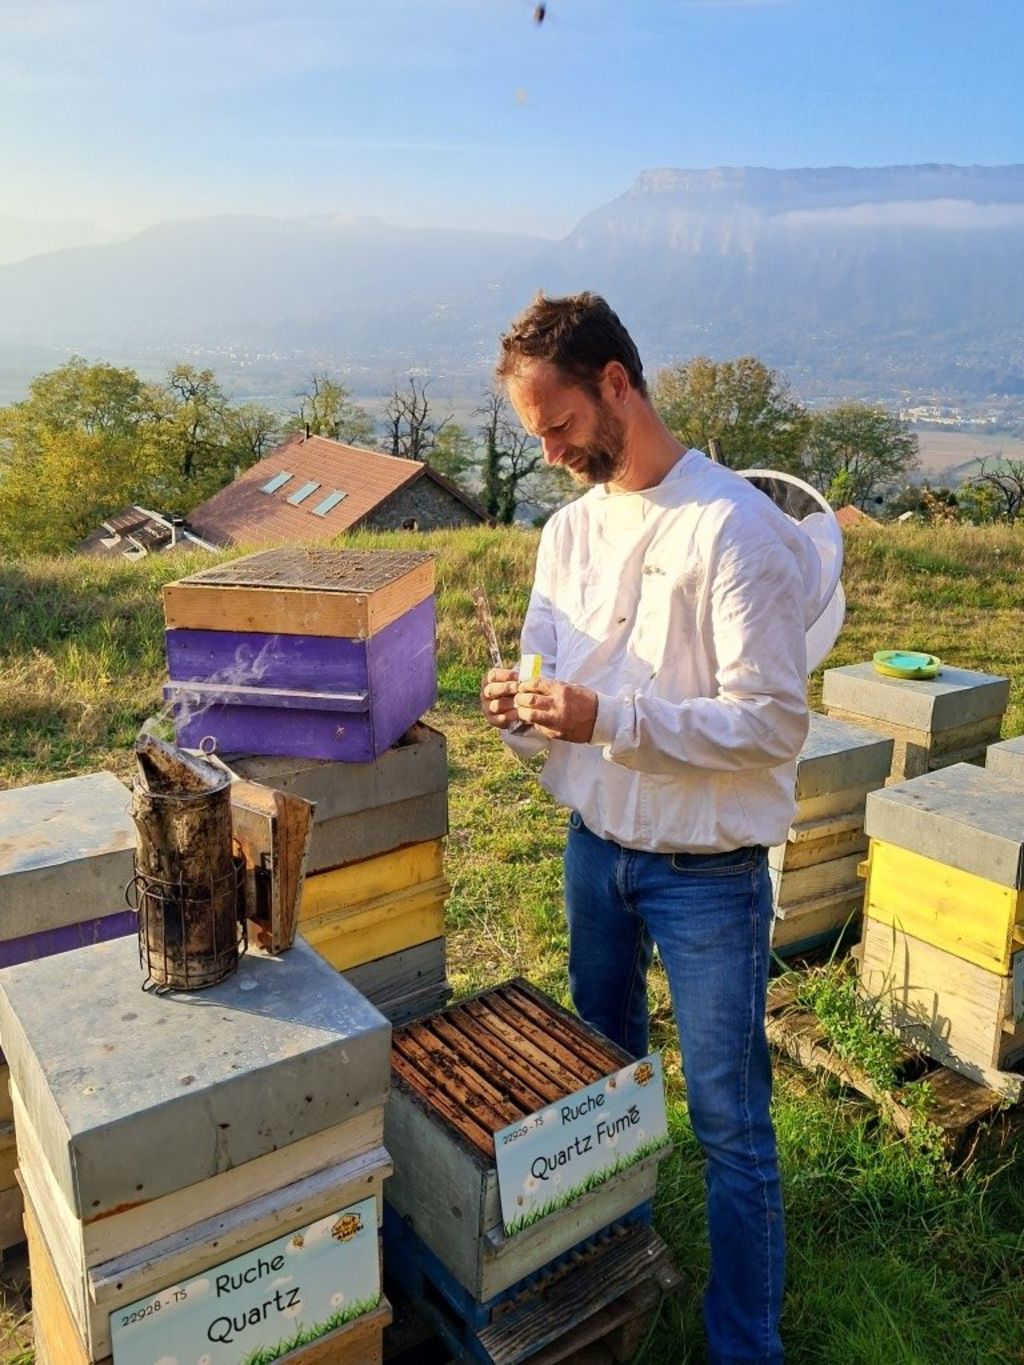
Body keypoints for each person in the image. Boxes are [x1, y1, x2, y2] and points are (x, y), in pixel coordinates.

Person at [479, 292, 824, 1365]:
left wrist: (606, 716)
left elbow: (769, 723)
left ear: (616, 383)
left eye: (558, 423)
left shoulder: (734, 529)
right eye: (532, 433)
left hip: (708, 875)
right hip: (597, 854)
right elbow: (549, 675)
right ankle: (616, 1280)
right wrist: (521, 709)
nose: (549, 450)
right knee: (606, 1087)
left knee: (729, 1126)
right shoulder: (568, 531)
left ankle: (743, 1346)